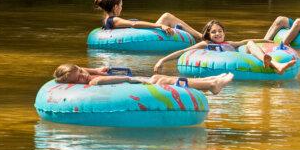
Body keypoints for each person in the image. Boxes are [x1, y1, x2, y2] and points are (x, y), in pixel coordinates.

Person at [153, 19, 282, 74]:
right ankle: (274, 65)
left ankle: (267, 61)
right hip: (221, 65)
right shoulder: (206, 44)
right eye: (213, 32)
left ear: (224, 32)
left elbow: (246, 40)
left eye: (220, 31)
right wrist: (161, 60)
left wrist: (266, 40)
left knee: (249, 44)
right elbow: (183, 51)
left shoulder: (230, 44)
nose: (218, 34)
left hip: (242, 61)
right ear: (208, 35)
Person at [52, 64, 234, 94]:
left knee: (159, 76)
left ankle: (209, 79)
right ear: (74, 82)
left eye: (81, 71)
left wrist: (98, 69)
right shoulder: (92, 81)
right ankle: (211, 85)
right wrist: (134, 79)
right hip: (134, 85)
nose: (84, 75)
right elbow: (101, 81)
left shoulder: (84, 73)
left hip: (135, 82)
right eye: (79, 77)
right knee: (161, 81)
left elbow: (83, 69)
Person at [93, 0, 203, 40]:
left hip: (141, 34)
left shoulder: (106, 19)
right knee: (167, 16)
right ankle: (202, 36)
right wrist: (160, 26)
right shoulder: (114, 20)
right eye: (121, 6)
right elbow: (134, 24)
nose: (122, 8)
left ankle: (198, 35)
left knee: (167, 17)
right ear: (115, 7)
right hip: (147, 35)